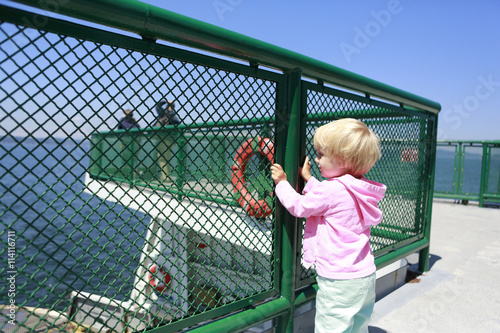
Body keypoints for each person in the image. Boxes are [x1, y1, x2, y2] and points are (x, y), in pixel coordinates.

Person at [270, 118, 386, 333]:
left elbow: (300, 206)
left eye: (322, 154)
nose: (316, 158)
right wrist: (309, 179)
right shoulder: (360, 186)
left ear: (342, 159)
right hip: (364, 277)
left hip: (338, 281)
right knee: (358, 327)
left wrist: (282, 183)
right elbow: (332, 202)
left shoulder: (332, 191)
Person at [153, 100, 181, 182]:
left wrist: (165, 101)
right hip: (170, 140)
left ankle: (166, 177)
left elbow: (157, 106)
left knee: (162, 159)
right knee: (166, 158)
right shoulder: (174, 116)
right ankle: (166, 175)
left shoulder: (163, 114)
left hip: (163, 139)